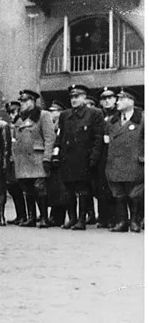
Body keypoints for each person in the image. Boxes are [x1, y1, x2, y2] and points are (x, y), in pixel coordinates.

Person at [56, 84, 104, 230]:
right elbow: (60, 135)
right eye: (71, 97)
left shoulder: (94, 113)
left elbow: (98, 138)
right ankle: (72, 218)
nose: (73, 100)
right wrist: (57, 154)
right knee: (69, 189)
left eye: (77, 97)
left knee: (83, 190)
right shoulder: (65, 115)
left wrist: (94, 157)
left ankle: (82, 220)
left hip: (84, 159)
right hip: (67, 158)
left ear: (84, 97)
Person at [12, 90, 56, 228]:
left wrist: (47, 158)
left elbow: (50, 138)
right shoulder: (19, 119)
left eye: (25, 101)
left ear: (33, 101)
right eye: (21, 101)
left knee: (40, 188)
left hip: (38, 157)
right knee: (28, 189)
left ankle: (44, 217)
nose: (22, 104)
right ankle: (31, 217)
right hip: (23, 159)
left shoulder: (43, 115)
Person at [105, 88, 144, 233]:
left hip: (135, 163)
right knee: (118, 193)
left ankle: (135, 221)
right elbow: (106, 141)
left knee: (135, 193)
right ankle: (122, 221)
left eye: (122, 99)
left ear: (131, 101)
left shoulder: (143, 119)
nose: (118, 102)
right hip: (115, 163)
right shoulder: (112, 121)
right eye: (118, 99)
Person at [96, 87, 118, 228]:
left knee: (113, 189)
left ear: (115, 100)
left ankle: (114, 218)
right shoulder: (98, 116)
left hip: (113, 155)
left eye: (110, 98)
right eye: (104, 99)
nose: (107, 101)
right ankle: (103, 217)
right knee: (101, 188)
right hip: (101, 156)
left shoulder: (117, 115)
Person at [46, 100, 69, 227]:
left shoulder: (62, 124)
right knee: (54, 189)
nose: (51, 113)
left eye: (53, 111)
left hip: (61, 160)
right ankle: (54, 215)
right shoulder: (52, 124)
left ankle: (59, 217)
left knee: (61, 190)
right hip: (53, 159)